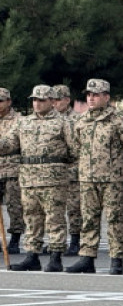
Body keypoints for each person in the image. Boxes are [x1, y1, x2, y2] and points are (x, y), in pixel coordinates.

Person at [66, 79, 123, 274]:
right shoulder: (81, 121)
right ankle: (87, 258)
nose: (91, 98)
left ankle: (116, 260)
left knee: (114, 219)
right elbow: (76, 147)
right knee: (88, 219)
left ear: (106, 97)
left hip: (112, 180)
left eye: (96, 95)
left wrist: (118, 164)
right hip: (88, 178)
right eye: (89, 95)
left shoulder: (119, 120)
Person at [0, 85, 77, 272]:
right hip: (28, 178)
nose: (37, 103)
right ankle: (32, 256)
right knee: (32, 218)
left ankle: (55, 256)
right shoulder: (24, 123)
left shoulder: (64, 122)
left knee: (55, 219)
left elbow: (76, 149)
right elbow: (8, 144)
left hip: (53, 179)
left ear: (52, 101)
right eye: (34, 100)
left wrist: (63, 167)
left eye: (42, 100)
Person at [51, 85, 83, 255]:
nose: (54, 103)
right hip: (54, 173)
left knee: (74, 208)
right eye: (52, 100)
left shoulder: (78, 119)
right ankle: (55, 242)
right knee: (54, 209)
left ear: (67, 100)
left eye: (57, 99)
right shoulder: (50, 120)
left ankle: (76, 241)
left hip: (73, 171)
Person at [0, 88, 25, 254]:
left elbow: (17, 143)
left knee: (14, 206)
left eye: (0, 101)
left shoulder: (19, 120)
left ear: (9, 101)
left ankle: (15, 239)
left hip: (12, 169)